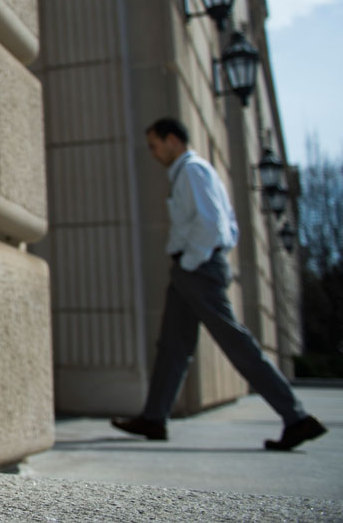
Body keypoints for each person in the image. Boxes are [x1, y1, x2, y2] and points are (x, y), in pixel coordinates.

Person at [111, 117, 327, 451]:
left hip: (196, 269)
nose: (153, 153)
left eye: (154, 145)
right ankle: (154, 418)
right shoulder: (194, 172)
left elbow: (211, 225)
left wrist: (189, 262)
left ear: (172, 140)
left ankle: (296, 417)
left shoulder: (193, 171)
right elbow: (230, 225)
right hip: (192, 268)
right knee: (172, 346)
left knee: (235, 342)